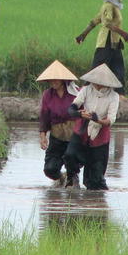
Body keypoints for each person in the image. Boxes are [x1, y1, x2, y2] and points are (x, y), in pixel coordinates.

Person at [63, 63, 121, 190]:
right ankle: (72, 177)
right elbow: (73, 107)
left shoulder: (114, 97)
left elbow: (110, 120)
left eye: (98, 82)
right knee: (70, 155)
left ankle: (96, 200)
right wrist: (78, 113)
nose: (95, 83)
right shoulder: (86, 90)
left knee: (95, 181)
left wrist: (98, 120)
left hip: (100, 136)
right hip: (82, 131)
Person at [75, 0, 128, 95]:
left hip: (115, 42)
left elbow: (95, 20)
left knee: (118, 69)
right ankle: (83, 93)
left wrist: (83, 34)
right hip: (106, 41)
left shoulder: (114, 7)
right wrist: (123, 33)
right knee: (97, 69)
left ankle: (120, 94)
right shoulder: (108, 6)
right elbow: (106, 23)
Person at [37, 60, 81, 188]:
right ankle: (61, 178)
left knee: (71, 162)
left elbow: (84, 115)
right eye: (51, 80)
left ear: (63, 79)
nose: (53, 82)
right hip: (56, 138)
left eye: (56, 79)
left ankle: (72, 177)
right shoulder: (47, 95)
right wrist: (43, 136)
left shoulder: (76, 93)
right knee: (49, 169)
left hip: (73, 138)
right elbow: (44, 117)